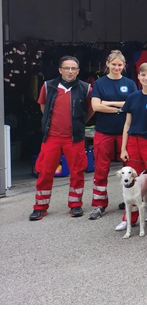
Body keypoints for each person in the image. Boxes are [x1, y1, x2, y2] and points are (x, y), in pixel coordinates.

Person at [29, 56, 93, 221]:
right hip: (52, 137)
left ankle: (75, 204)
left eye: (73, 68)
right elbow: (43, 107)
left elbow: (90, 110)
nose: (70, 71)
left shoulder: (86, 88)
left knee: (77, 172)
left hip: (74, 138)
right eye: (67, 68)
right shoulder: (48, 86)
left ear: (78, 71)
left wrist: (78, 123)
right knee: (45, 172)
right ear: (60, 70)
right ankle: (40, 207)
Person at [88, 50, 138, 221]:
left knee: (131, 169)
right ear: (107, 64)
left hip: (126, 132)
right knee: (101, 170)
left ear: (124, 66)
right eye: (114, 64)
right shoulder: (100, 84)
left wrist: (108, 103)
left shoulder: (130, 83)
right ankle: (98, 204)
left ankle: (130, 200)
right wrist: (119, 109)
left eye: (120, 65)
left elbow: (133, 103)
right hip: (104, 132)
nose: (117, 67)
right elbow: (96, 106)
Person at [119, 63, 147, 233]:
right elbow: (127, 124)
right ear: (138, 77)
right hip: (133, 142)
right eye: (143, 75)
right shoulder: (132, 97)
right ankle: (129, 219)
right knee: (131, 181)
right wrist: (123, 148)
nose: (146, 78)